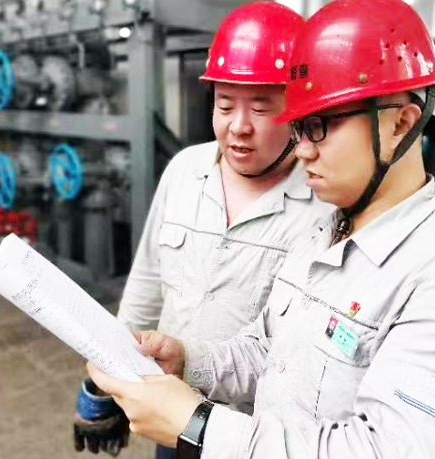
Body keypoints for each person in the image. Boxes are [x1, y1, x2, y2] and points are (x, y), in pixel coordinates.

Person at [87, 0, 435, 457]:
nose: (302, 151)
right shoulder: (325, 236)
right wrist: (188, 360)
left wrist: (198, 425)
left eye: (320, 127)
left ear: (400, 123)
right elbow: (267, 351)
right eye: (298, 128)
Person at [73, 2, 333, 457]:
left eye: (261, 108)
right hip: (170, 415)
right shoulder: (184, 169)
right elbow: (147, 282)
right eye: (224, 104)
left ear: (299, 111)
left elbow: (303, 356)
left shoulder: (323, 208)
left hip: (254, 435)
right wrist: (106, 382)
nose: (238, 127)